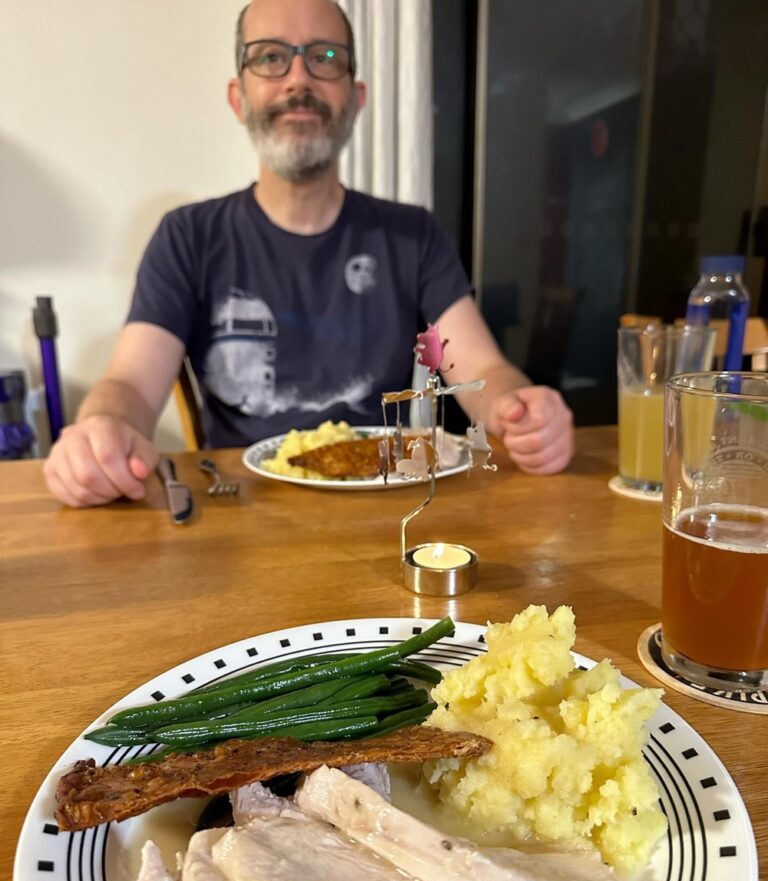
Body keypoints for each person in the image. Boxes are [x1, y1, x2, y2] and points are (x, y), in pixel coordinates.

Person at [43, 0, 573, 508]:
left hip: (387, 505)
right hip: (240, 516)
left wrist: (517, 409)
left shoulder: (413, 234)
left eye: (325, 58)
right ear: (238, 96)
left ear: (356, 97)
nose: (299, 80)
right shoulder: (187, 236)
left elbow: (480, 369)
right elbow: (130, 386)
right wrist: (102, 428)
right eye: (271, 57)